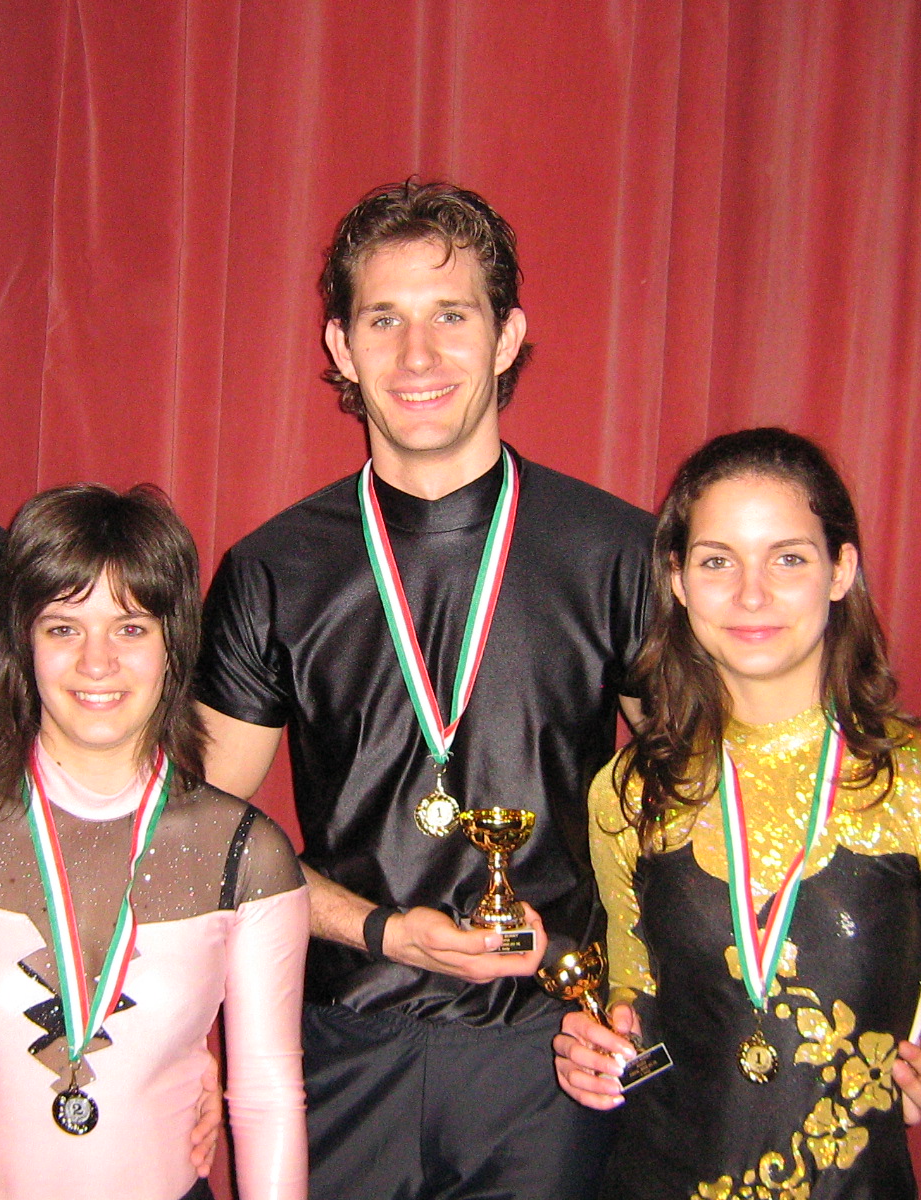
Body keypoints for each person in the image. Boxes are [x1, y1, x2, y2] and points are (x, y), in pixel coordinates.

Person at [196, 180, 654, 1199]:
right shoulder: (273, 571)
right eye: (383, 320)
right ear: (340, 347)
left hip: (553, 1052)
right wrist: (374, 929)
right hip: (340, 1043)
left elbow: (708, 810)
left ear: (507, 337)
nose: (417, 355)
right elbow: (199, 832)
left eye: (451, 316)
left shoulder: (616, 553)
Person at [552, 428, 921, 1199]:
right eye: (717, 561)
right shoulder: (629, 792)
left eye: (788, 558)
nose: (751, 594)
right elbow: (637, 1001)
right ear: (677, 580)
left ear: (841, 571)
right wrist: (601, 1050)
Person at [0, 484, 308, 1200]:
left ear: (174, 644)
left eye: (130, 628)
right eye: (63, 628)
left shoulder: (247, 856)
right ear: (22, 644)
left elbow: (267, 1098)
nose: (96, 662)